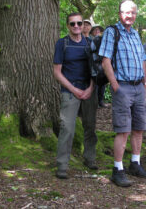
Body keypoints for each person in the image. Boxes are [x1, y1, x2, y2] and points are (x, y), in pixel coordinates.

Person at [99, 0, 146, 187]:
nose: (130, 16)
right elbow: (105, 60)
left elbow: (141, 61)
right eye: (126, 12)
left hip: (138, 87)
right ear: (120, 13)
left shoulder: (136, 35)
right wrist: (115, 86)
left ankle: (135, 164)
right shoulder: (111, 32)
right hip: (122, 87)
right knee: (123, 130)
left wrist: (145, 86)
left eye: (133, 12)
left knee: (139, 127)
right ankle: (117, 169)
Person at [53, 12, 98, 179]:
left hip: (89, 91)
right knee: (67, 128)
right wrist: (74, 89)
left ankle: (90, 158)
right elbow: (57, 72)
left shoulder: (90, 43)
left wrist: (91, 88)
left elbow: (96, 68)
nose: (77, 26)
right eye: (73, 24)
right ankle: (62, 165)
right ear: (68, 26)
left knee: (90, 126)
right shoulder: (62, 43)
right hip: (69, 92)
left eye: (79, 23)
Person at [90, 23, 107, 108]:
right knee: (95, 83)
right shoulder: (90, 40)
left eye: (98, 30)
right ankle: (95, 102)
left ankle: (101, 101)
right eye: (95, 30)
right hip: (94, 64)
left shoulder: (104, 40)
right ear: (92, 32)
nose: (97, 31)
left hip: (103, 64)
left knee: (103, 83)